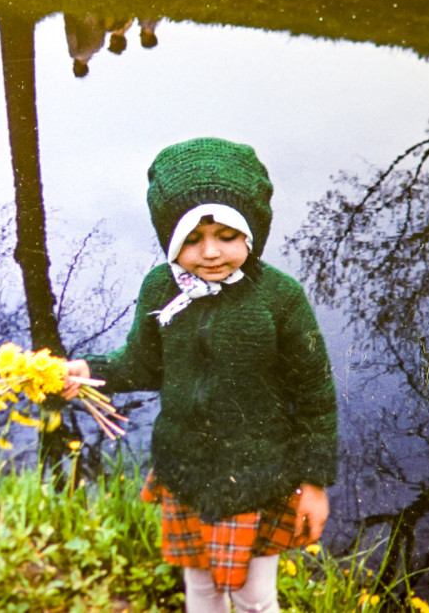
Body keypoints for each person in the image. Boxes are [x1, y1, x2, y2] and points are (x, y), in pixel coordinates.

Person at [64, 138, 337, 613]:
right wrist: (88, 372)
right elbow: (141, 364)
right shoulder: (160, 286)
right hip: (185, 471)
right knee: (202, 589)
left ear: (252, 232)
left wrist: (314, 483)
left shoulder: (280, 298)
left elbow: (315, 395)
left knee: (255, 597)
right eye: (191, 239)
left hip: (260, 476)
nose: (210, 253)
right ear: (169, 237)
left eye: (227, 236)